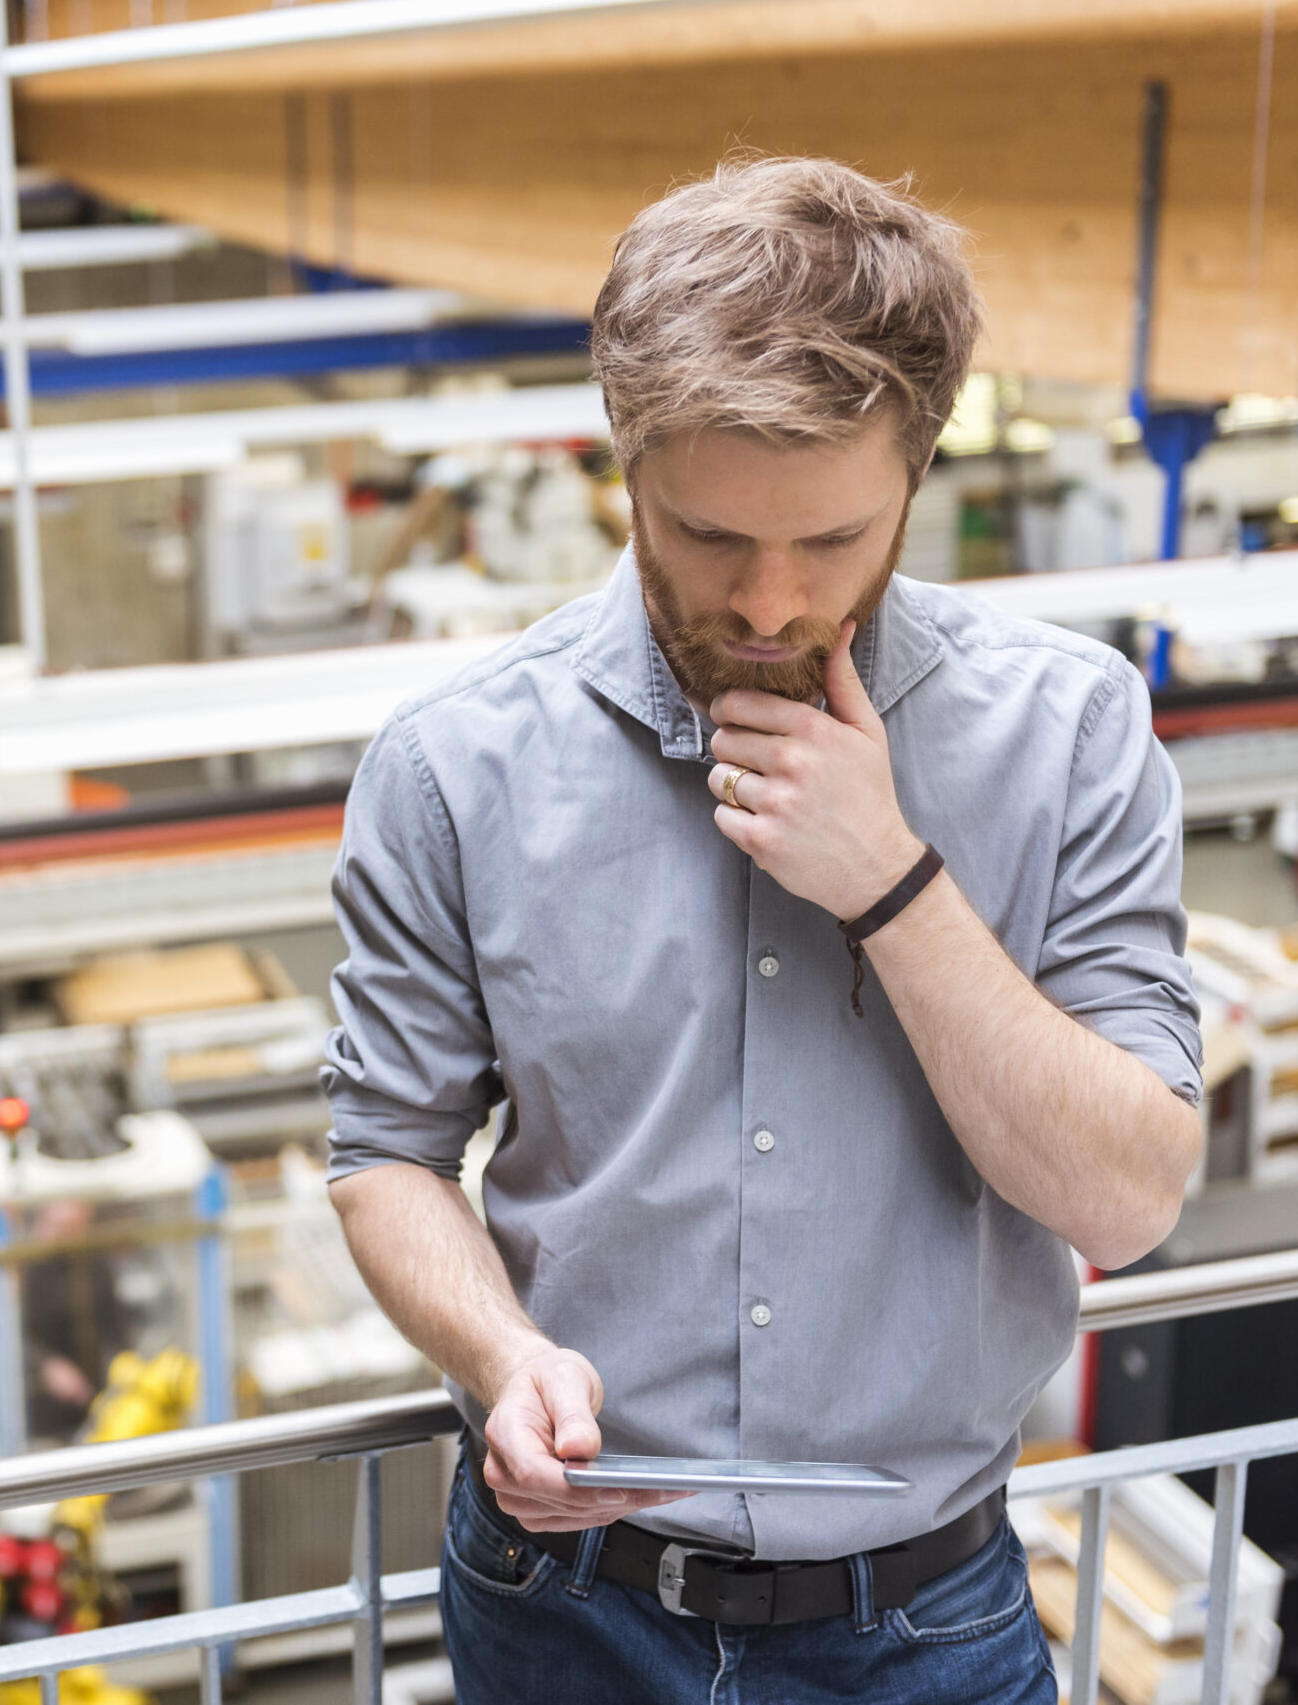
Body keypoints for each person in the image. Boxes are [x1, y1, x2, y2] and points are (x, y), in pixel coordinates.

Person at [321, 156, 1202, 1700]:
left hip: (926, 1627)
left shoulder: (1070, 735)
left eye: (836, 541)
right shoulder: (454, 765)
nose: (776, 602)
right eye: (713, 536)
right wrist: (497, 1355)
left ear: (919, 473)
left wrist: (893, 883)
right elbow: (386, 1149)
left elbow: (1128, 1199)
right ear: (625, 462)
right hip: (565, 1613)